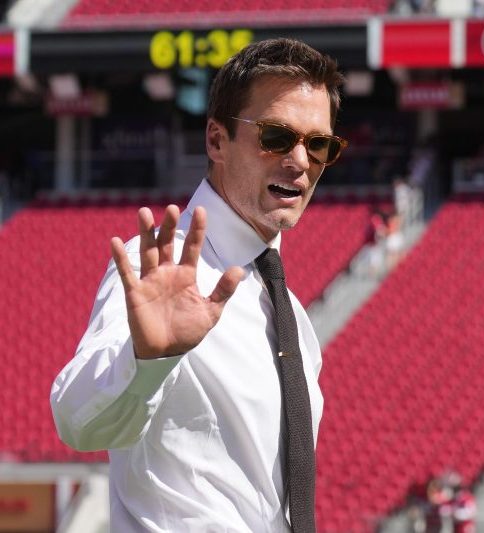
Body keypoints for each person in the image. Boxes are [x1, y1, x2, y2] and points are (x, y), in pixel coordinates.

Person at [50, 38, 348, 532]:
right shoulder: (162, 268)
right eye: (277, 136)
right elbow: (78, 422)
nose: (301, 161)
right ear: (216, 140)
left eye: (319, 145)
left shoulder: (289, 313)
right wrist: (147, 359)